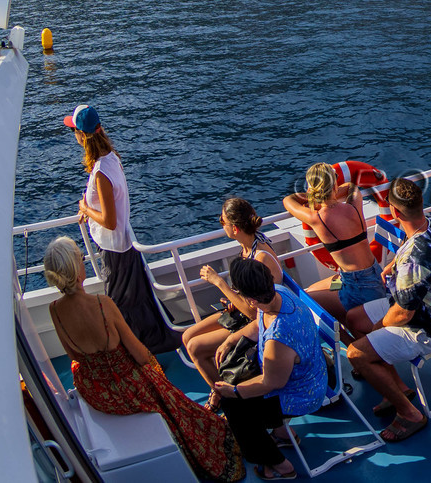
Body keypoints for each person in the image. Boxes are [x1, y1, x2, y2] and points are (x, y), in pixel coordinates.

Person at [43, 237, 244, 482]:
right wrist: (154, 370)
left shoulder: (54, 310)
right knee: (172, 400)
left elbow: (74, 356)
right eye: (80, 259)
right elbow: (138, 353)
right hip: (127, 386)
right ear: (76, 272)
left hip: (95, 390)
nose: (84, 261)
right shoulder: (101, 304)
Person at [345, 176, 431, 442]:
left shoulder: (416, 261)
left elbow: (403, 314)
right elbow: (411, 250)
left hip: (430, 326)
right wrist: (393, 264)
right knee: (353, 318)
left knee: (356, 353)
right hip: (422, 304)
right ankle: (396, 387)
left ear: (396, 212)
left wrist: (375, 330)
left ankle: (410, 413)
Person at [65, 105, 181, 353]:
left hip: (114, 250)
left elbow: (109, 221)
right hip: (123, 245)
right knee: (135, 302)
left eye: (74, 131)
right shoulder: (111, 158)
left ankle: (136, 354)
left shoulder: (100, 173)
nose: (73, 136)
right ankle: (149, 346)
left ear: (82, 136)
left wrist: (85, 209)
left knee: (117, 305)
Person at [209, 255, 327, 479]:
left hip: (302, 393)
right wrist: (231, 339)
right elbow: (258, 324)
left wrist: (234, 392)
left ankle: (279, 465)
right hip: (306, 373)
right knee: (239, 394)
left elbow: (271, 383)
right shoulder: (278, 292)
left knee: (235, 408)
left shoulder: (279, 339)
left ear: (250, 300)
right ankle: (282, 433)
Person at [184, 198, 283, 397]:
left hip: (261, 321)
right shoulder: (249, 245)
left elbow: (255, 312)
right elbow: (249, 296)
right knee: (186, 337)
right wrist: (233, 299)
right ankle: (222, 384)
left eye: (222, 221)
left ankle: (224, 395)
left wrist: (218, 282)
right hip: (245, 312)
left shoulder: (260, 257)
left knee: (195, 348)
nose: (221, 225)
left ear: (235, 228)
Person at [283, 162, 388, 326]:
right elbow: (351, 186)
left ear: (312, 189)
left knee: (302, 298)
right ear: (334, 184)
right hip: (375, 277)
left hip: (355, 288)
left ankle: (348, 341)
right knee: (311, 291)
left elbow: (288, 200)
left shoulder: (316, 219)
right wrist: (332, 191)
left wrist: (312, 196)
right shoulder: (354, 203)